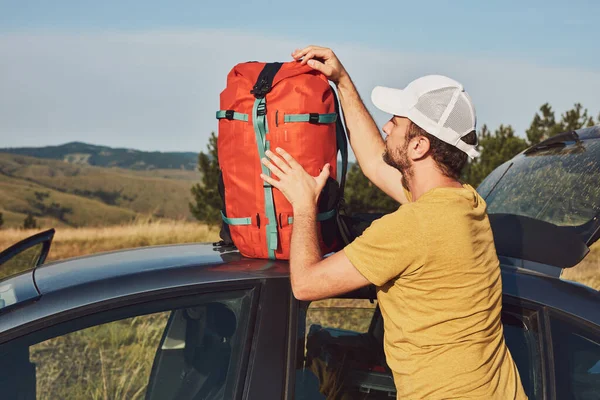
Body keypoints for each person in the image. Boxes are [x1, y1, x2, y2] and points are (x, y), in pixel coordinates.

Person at [259, 46, 527, 399]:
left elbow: (305, 285)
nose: (386, 125)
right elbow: (373, 159)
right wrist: (341, 81)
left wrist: (305, 204)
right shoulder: (466, 204)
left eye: (396, 121)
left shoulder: (411, 228)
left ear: (418, 147)